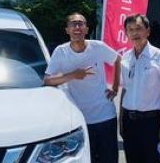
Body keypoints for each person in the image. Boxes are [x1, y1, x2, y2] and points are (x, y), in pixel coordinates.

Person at [44, 12, 121, 163]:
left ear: (86, 29)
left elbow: (117, 59)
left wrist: (115, 87)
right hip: (79, 119)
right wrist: (73, 75)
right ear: (67, 30)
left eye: (81, 24)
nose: (77, 27)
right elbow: (47, 80)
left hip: (105, 116)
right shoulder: (61, 51)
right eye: (73, 24)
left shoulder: (98, 47)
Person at [119, 14, 160, 163]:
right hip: (129, 122)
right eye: (130, 29)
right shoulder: (125, 58)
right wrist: (121, 122)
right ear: (126, 34)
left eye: (138, 28)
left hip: (152, 123)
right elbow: (125, 90)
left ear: (148, 31)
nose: (135, 33)